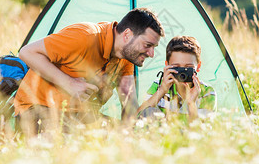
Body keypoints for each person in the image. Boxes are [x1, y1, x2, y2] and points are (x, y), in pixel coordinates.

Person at [14, 8, 164, 136]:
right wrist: (69, 83)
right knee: (79, 140)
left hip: (80, 117)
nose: (151, 53)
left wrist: (130, 132)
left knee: (142, 129)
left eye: (154, 47)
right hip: (38, 111)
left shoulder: (125, 57)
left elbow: (129, 104)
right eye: (147, 45)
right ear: (127, 35)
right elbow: (27, 52)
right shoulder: (85, 36)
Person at [137, 36, 216, 122]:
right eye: (177, 67)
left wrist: (191, 104)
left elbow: (201, 131)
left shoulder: (207, 92)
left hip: (189, 134)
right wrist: (162, 89)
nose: (182, 74)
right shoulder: (159, 85)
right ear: (167, 66)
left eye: (188, 68)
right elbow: (138, 115)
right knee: (149, 111)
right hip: (163, 132)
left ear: (198, 67)